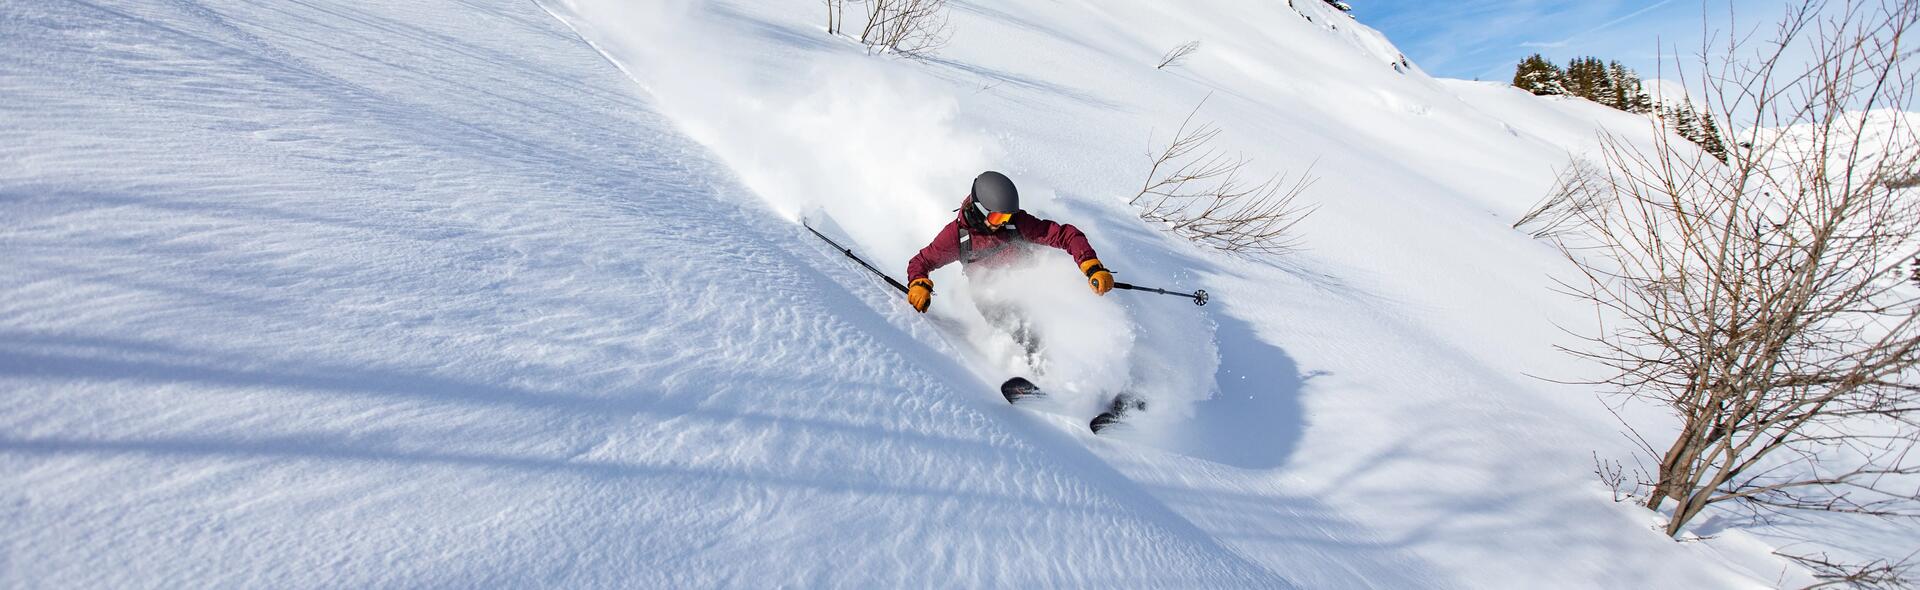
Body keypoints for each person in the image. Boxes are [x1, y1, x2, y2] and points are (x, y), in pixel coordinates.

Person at [904, 171, 1114, 315]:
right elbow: (920, 263)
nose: (1003, 224)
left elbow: (1066, 235)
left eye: (1007, 217)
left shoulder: (1017, 223)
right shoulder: (956, 237)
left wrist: (1091, 266)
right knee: (1017, 326)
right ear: (978, 209)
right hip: (990, 295)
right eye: (997, 218)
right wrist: (919, 284)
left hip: (1030, 281)